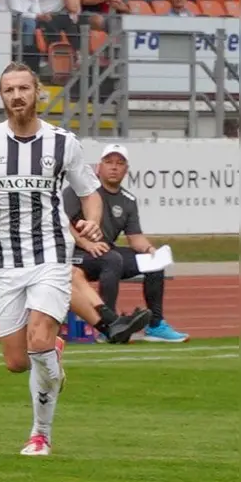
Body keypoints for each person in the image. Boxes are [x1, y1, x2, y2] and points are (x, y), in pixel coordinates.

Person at [0, 63, 103, 457]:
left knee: (38, 340)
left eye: (23, 89)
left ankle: (40, 435)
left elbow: (90, 192)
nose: (16, 96)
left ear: (37, 92)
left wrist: (92, 223)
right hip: (6, 262)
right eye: (9, 90)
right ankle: (51, 353)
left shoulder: (62, 142)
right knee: (17, 361)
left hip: (51, 255)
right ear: (2, 97)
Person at [0, 187, 149, 343]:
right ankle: (109, 326)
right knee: (60, 277)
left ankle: (111, 323)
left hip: (18, 259)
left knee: (73, 272)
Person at [64, 144, 188, 342]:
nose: (114, 167)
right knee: (112, 259)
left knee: (153, 262)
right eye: (109, 162)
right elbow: (62, 222)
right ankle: (110, 325)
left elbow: (135, 237)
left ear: (126, 170)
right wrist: (86, 244)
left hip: (104, 252)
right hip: (75, 253)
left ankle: (156, 325)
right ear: (99, 167)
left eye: (119, 163)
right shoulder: (82, 191)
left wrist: (149, 249)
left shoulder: (128, 200)